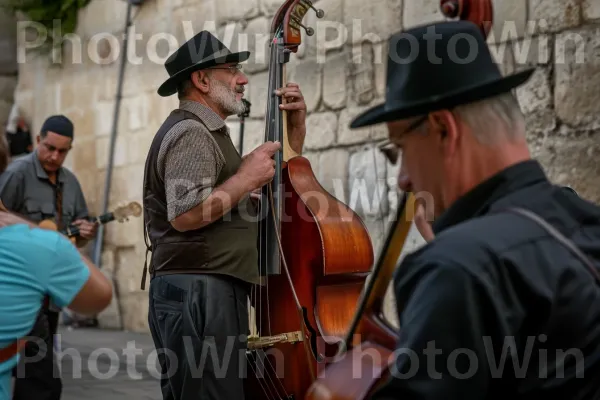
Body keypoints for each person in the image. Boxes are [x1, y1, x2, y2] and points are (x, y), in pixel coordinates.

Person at [349, 20, 600, 399]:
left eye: (398, 149)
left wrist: (453, 252)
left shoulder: (455, 268)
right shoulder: (584, 221)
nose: (402, 179)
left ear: (443, 129)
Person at [143, 31, 307, 399]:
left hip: (207, 287)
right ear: (201, 80)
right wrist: (245, 178)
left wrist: (293, 130)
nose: (243, 78)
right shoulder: (191, 132)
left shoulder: (208, 131)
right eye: (231, 69)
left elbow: (226, 198)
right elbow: (185, 214)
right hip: (198, 290)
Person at [0, 114, 99, 400]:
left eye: (62, 151)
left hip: (50, 293)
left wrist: (85, 233)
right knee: (39, 379)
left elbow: (77, 230)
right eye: (49, 148)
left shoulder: (71, 182)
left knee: (34, 370)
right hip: (21, 289)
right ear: (38, 140)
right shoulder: (16, 173)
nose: (54, 156)